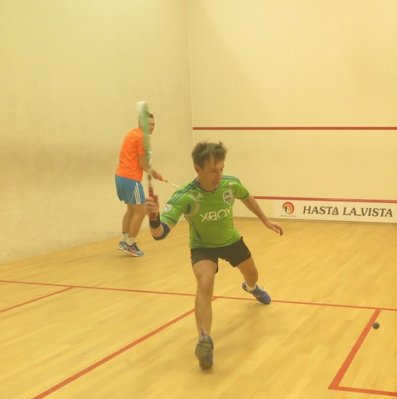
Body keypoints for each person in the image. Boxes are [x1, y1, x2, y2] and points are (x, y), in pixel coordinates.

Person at [145, 141, 283, 370]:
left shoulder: (230, 184)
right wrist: (154, 218)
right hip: (203, 246)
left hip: (231, 241)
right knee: (205, 283)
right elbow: (159, 234)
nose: (218, 176)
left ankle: (251, 288)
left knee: (252, 274)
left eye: (221, 169)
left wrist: (265, 220)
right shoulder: (184, 197)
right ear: (197, 169)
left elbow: (246, 196)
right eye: (212, 171)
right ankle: (204, 339)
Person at [114, 112, 165, 257]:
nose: (152, 127)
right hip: (130, 178)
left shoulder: (132, 133)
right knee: (141, 210)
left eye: (153, 124)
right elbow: (143, 164)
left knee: (131, 210)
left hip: (120, 177)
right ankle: (130, 244)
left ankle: (124, 240)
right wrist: (155, 174)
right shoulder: (142, 138)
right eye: (149, 124)